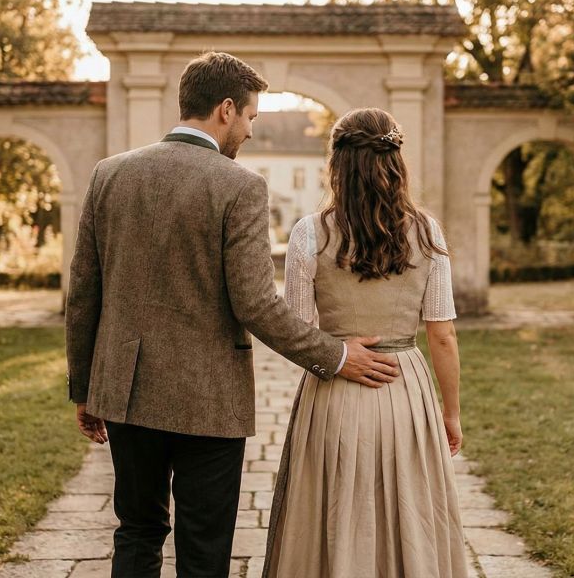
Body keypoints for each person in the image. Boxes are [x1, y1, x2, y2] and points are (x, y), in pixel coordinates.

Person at [64, 52, 400, 578]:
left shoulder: (110, 174)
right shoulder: (239, 186)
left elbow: (84, 292)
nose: (248, 130)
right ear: (226, 109)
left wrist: (84, 386)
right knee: (204, 544)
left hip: (124, 389)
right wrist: (336, 355)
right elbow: (256, 302)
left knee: (137, 529)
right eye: (249, 117)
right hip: (209, 397)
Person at [262, 108, 468, 577]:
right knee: (408, 507)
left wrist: (334, 353)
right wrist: (450, 414)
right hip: (406, 388)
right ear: (396, 161)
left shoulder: (308, 233)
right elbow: (443, 333)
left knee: (335, 506)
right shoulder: (427, 232)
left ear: (336, 164)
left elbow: (297, 328)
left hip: (334, 386)